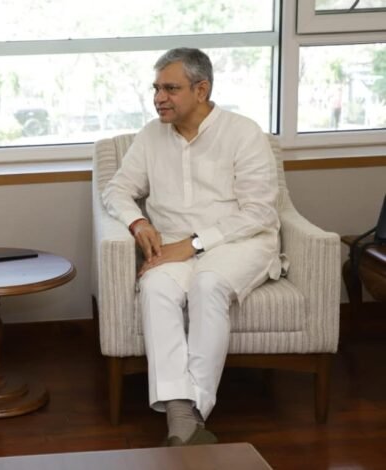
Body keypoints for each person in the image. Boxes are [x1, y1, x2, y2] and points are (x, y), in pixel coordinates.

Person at [102, 48, 282, 446]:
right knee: (154, 287)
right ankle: (184, 419)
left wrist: (195, 243)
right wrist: (138, 221)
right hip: (172, 245)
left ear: (201, 90)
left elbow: (259, 212)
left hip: (239, 242)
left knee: (208, 285)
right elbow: (116, 190)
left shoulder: (243, 132)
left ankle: (189, 417)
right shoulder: (152, 135)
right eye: (156, 89)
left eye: (170, 89)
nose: (159, 98)